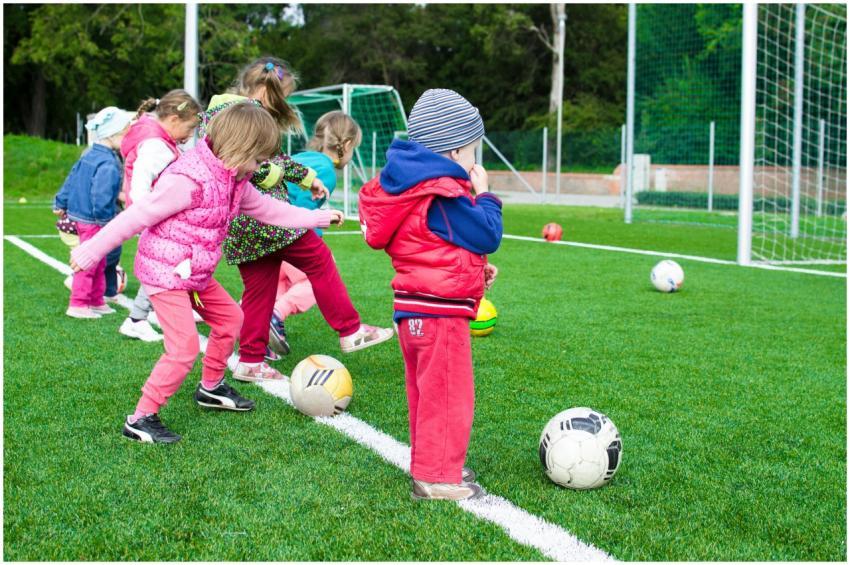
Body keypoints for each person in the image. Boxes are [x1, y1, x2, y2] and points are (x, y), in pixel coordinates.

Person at [70, 102, 344, 444]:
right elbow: (136, 216)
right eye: (259, 160)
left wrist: (316, 218)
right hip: (166, 274)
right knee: (183, 348)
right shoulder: (187, 180)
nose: (261, 168)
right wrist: (91, 250)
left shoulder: (235, 178)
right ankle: (140, 418)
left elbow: (267, 209)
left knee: (232, 319)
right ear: (239, 148)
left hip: (194, 273)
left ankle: (211, 388)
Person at [201, 57, 392, 382]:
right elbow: (252, 166)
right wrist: (284, 178)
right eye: (282, 96)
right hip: (264, 217)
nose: (282, 104)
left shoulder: (223, 111)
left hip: (241, 225)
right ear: (265, 90)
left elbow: (272, 159)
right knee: (319, 260)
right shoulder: (241, 115)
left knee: (260, 290)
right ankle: (350, 330)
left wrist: (307, 178)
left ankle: (250, 361)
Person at [358, 89, 503, 501]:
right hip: (438, 316)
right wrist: (486, 195)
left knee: (426, 394)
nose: (476, 161)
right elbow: (487, 233)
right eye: (474, 150)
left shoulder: (411, 188)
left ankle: (432, 462)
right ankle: (437, 477)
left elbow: (432, 246)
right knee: (447, 395)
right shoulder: (441, 193)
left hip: (415, 309)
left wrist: (475, 272)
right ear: (455, 149)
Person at [267, 110, 363, 358]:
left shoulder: (301, 157)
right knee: (315, 279)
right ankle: (276, 315)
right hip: (287, 233)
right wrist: (318, 229)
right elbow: (301, 210)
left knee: (277, 282)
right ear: (348, 145)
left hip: (265, 230)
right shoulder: (327, 172)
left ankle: (258, 331)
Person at [117, 89, 202, 343]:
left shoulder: (160, 140)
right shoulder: (156, 145)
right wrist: (148, 216)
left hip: (157, 217)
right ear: (174, 120)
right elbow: (140, 185)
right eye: (189, 129)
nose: (189, 137)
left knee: (174, 264)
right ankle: (136, 319)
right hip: (155, 218)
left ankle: (156, 313)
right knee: (164, 267)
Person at [54, 106, 134, 319]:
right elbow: (101, 195)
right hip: (94, 220)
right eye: (125, 134)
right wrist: (106, 222)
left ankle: (96, 300)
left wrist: (60, 201)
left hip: (83, 216)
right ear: (113, 135)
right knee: (90, 261)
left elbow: (71, 177)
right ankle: (78, 303)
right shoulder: (108, 162)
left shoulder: (89, 154)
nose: (127, 139)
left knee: (98, 260)